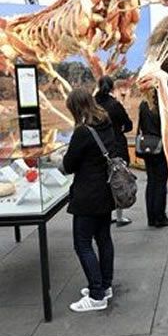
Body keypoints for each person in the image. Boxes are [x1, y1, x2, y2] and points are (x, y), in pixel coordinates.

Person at [63, 89, 116, 312]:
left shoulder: (83, 132)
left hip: (87, 195)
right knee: (104, 239)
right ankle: (105, 284)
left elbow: (68, 165)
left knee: (82, 243)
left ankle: (96, 295)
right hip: (105, 191)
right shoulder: (105, 123)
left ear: (75, 108)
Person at [95, 75, 133, 227]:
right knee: (118, 180)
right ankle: (119, 217)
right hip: (116, 145)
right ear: (112, 88)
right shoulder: (115, 105)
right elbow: (128, 125)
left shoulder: (93, 104)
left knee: (101, 180)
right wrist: (119, 130)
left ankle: (104, 215)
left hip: (97, 146)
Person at [138, 90, 168, 229]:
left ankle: (151, 217)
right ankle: (160, 216)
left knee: (151, 181)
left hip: (147, 145)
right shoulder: (162, 106)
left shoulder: (143, 105)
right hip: (160, 145)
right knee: (160, 182)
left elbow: (140, 125)